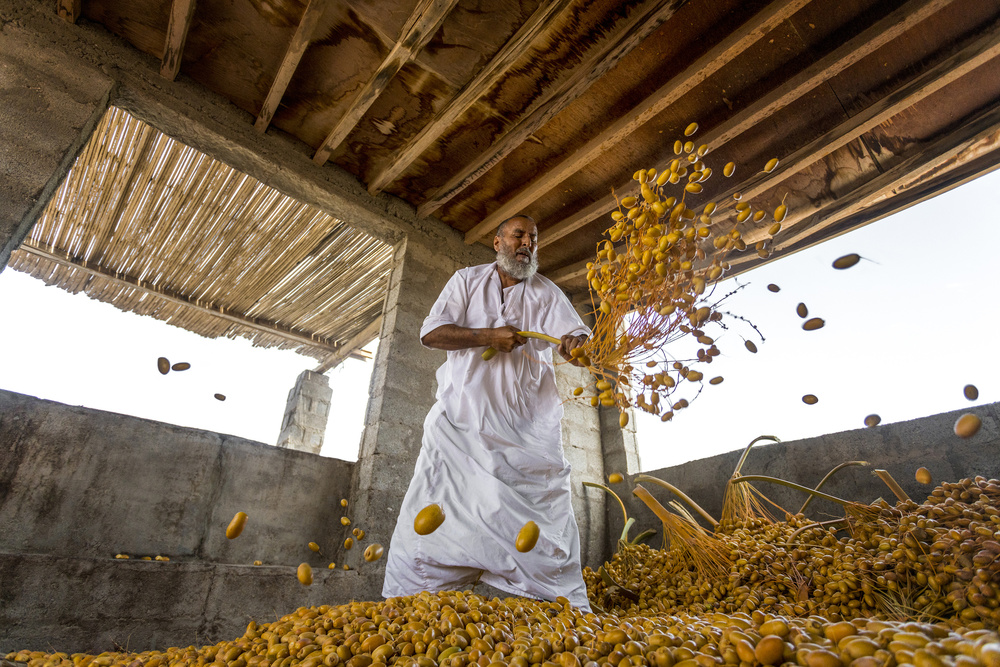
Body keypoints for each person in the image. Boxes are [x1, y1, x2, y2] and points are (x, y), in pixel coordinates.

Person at [381, 215, 593, 610]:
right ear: (497, 243)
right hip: (460, 425)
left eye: (533, 238)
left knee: (546, 531)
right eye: (518, 235)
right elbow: (431, 333)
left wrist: (577, 345)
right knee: (428, 522)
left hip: (525, 433)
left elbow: (576, 338)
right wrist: (488, 336)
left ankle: (566, 614)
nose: (526, 243)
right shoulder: (466, 281)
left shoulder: (546, 293)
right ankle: (406, 609)